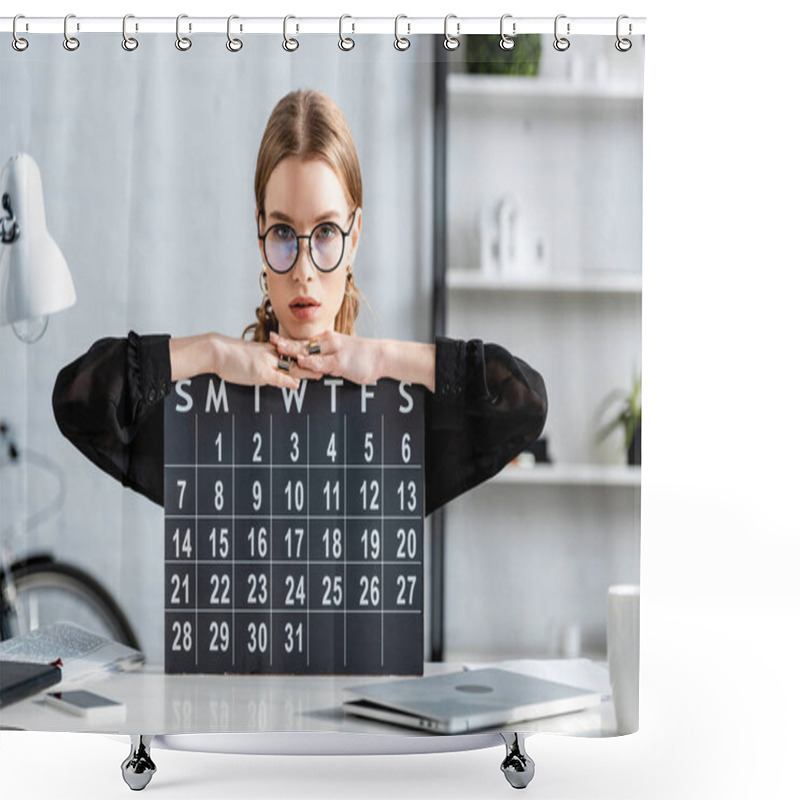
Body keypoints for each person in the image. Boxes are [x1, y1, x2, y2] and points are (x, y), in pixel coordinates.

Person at [52, 89, 547, 516]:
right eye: (284, 233)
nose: (304, 269)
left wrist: (381, 357)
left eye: (327, 232)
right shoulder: (207, 411)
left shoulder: (399, 414)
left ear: (355, 239)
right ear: (260, 233)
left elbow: (522, 402)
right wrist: (212, 352)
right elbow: (79, 398)